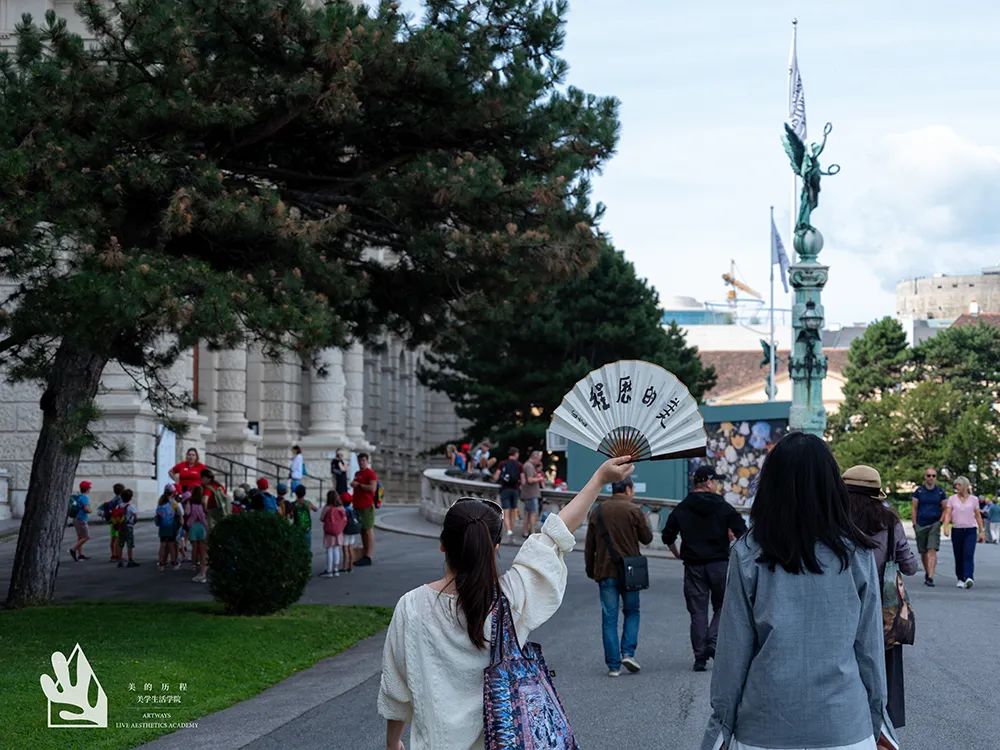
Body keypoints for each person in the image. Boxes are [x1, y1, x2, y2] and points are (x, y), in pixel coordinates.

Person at [378, 456, 634, 750]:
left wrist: (393, 742)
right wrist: (599, 478)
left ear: (442, 544)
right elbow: (553, 536)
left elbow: (397, 691)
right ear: (495, 548)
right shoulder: (510, 596)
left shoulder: (411, 607)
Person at [701, 432, 897, 750]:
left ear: (771, 486)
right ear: (833, 486)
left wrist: (721, 727)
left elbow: (732, 656)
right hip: (844, 725)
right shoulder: (857, 553)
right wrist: (877, 722)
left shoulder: (749, 552)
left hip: (764, 726)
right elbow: (870, 653)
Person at [844, 464, 918, 730]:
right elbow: (909, 565)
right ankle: (884, 726)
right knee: (887, 667)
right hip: (881, 610)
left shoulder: (833, 518)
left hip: (841, 605)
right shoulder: (889, 521)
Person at [662, 465, 748, 671]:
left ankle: (699, 657)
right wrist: (730, 542)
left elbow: (667, 536)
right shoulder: (723, 507)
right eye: (716, 481)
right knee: (723, 605)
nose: (717, 485)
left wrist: (677, 553)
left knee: (697, 611)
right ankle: (713, 639)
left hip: (693, 566)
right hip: (719, 563)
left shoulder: (682, 507)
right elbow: (742, 532)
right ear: (708, 482)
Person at [584, 475, 652, 677]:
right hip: (630, 572)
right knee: (632, 612)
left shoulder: (598, 512)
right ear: (629, 489)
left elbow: (590, 546)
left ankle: (613, 666)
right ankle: (628, 653)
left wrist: (591, 569)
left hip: (605, 571)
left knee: (609, 618)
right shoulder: (634, 511)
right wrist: (645, 521)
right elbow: (647, 539)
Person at [942, 476, 986, 588]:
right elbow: (948, 513)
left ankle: (968, 577)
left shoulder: (974, 500)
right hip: (957, 529)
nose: (957, 487)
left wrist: (981, 531)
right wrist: (946, 526)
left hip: (970, 530)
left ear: (965, 486)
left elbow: (978, 515)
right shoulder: (952, 499)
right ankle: (960, 578)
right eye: (956, 485)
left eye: (959, 485)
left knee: (968, 554)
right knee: (959, 555)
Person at [911, 466, 946, 587]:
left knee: (932, 550)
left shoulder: (940, 492)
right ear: (925, 477)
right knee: (923, 551)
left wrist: (941, 522)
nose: (931, 478)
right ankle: (927, 572)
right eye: (929, 475)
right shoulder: (919, 491)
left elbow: (945, 508)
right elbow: (914, 508)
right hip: (921, 523)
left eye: (933, 476)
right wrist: (914, 523)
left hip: (934, 524)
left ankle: (930, 577)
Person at [351, 453, 378, 566]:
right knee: (362, 531)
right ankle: (364, 553)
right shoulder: (358, 473)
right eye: (359, 460)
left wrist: (359, 485)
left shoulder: (370, 473)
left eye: (363, 460)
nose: (361, 462)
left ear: (367, 461)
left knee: (368, 530)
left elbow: (373, 488)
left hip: (367, 506)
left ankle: (369, 556)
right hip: (357, 505)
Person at [496, 447, 523, 540]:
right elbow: (523, 480)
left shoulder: (502, 463)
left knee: (506, 512)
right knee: (513, 512)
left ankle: (508, 531)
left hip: (505, 490)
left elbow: (496, 476)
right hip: (515, 490)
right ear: (515, 454)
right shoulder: (519, 465)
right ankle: (512, 529)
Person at [320, 491, 348, 578]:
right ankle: (336, 569)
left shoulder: (327, 508)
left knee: (329, 550)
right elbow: (345, 519)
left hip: (329, 532)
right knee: (336, 549)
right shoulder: (341, 508)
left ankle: (329, 570)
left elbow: (321, 518)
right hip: (338, 532)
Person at [155, 486, 182, 571]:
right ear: (173, 492)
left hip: (162, 527)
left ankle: (161, 563)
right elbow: (180, 513)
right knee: (171, 545)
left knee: (162, 545)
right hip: (171, 527)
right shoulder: (174, 503)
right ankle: (174, 563)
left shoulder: (161, 501)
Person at [186, 487, 209, 583]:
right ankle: (201, 564)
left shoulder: (190, 501)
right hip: (202, 525)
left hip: (193, 525)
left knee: (194, 546)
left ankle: (193, 564)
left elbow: (187, 512)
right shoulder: (203, 502)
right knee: (202, 547)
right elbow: (206, 513)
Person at [520, 449, 544, 538]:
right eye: (539, 459)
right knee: (532, 513)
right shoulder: (529, 466)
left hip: (528, 493)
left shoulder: (527, 465)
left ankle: (526, 531)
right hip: (531, 494)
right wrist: (539, 479)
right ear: (535, 457)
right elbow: (529, 480)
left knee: (527, 513)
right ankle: (532, 531)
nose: (539, 461)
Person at [98, 483, 126, 562]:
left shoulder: (113, 499)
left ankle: (113, 555)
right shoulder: (120, 499)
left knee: (113, 538)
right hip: (117, 520)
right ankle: (118, 555)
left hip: (112, 520)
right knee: (117, 538)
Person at [69, 480, 93, 561]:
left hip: (76, 519)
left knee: (80, 537)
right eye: (89, 487)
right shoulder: (85, 497)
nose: (90, 488)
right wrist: (90, 511)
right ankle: (73, 549)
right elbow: (86, 509)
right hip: (81, 519)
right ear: (87, 489)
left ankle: (80, 555)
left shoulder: (79, 496)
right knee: (86, 537)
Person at [116, 488, 140, 568]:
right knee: (130, 544)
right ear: (130, 497)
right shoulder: (131, 506)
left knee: (120, 543)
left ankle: (120, 561)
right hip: (129, 526)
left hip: (120, 526)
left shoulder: (119, 506)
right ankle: (130, 560)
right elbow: (136, 517)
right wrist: (133, 523)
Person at [292, 484, 319, 551]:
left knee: (298, 548)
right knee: (307, 548)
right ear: (304, 493)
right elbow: (316, 509)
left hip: (297, 528)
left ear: (296, 493)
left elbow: (291, 515)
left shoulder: (293, 504)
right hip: (307, 528)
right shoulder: (308, 503)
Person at [342, 495, 361, 573]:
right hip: (353, 530)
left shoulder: (344, 510)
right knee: (350, 548)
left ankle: (345, 567)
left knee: (345, 549)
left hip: (346, 531)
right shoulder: (352, 509)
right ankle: (351, 567)